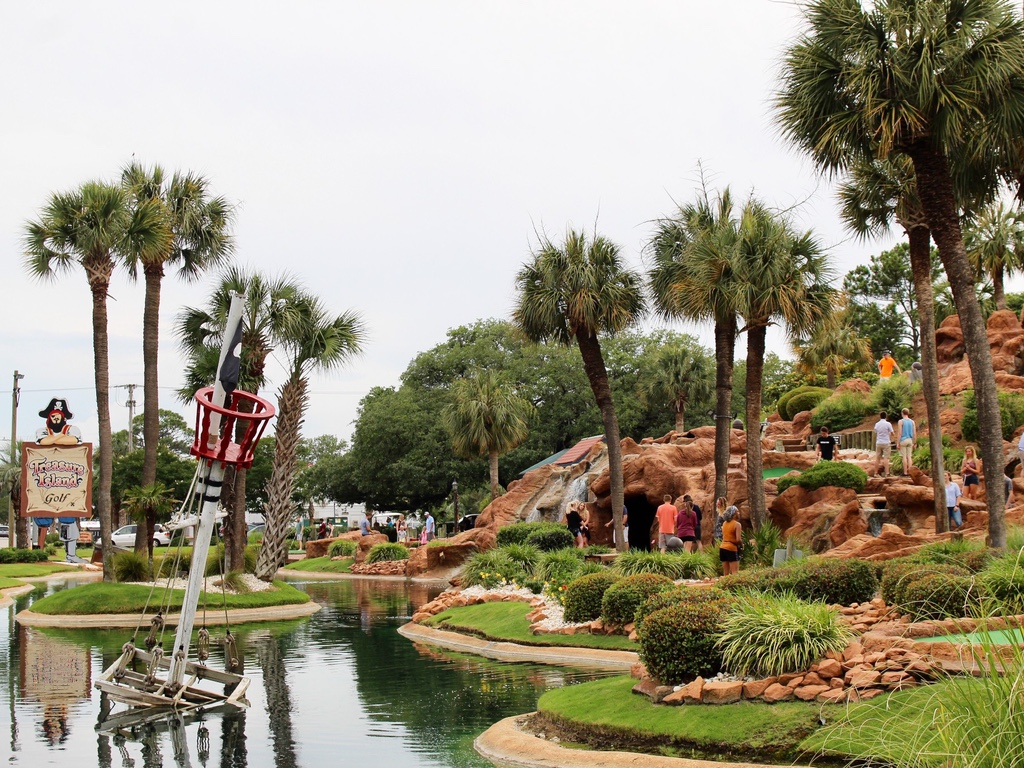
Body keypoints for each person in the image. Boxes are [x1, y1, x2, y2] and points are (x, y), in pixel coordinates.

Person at [719, 506, 741, 576]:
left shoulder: (724, 523)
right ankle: (734, 586)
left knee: (726, 573)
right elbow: (738, 540)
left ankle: (724, 586)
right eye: (737, 511)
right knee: (735, 572)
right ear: (734, 514)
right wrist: (741, 545)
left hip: (722, 548)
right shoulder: (737, 524)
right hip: (731, 548)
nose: (739, 513)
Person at [873, 412, 895, 477]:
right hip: (886, 443)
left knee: (877, 458)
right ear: (886, 416)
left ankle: (876, 473)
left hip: (879, 442)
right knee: (886, 458)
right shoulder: (888, 424)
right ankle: (887, 473)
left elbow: (875, 432)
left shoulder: (877, 424)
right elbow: (892, 433)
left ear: (880, 416)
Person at [896, 408, 917, 475]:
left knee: (904, 457)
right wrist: (915, 442)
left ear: (902, 413)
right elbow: (914, 433)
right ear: (908, 413)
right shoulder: (912, 422)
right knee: (909, 456)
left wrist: (898, 442)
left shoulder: (901, 421)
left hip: (903, 439)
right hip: (910, 440)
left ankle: (905, 472)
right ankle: (911, 472)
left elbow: (900, 433)